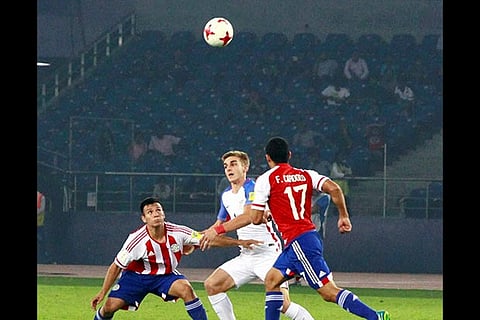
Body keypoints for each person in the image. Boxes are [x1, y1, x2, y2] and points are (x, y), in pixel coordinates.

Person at [248, 137, 390, 320]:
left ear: (268, 158)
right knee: (272, 281)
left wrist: (266, 212)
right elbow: (335, 189)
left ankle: (375, 317)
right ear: (289, 155)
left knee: (328, 292)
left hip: (299, 241)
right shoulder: (307, 174)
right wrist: (343, 216)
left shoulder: (265, 180)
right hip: (303, 240)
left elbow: (255, 218)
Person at [90, 196, 261, 320]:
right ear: (144, 218)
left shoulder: (179, 232)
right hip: (136, 278)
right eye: (150, 212)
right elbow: (116, 266)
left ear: (164, 214)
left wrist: (239, 242)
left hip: (165, 276)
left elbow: (208, 239)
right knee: (110, 308)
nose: (155, 213)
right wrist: (102, 292)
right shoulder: (136, 240)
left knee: (186, 289)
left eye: (158, 210)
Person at [199, 150, 314, 320]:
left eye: (233, 164)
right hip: (246, 255)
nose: (228, 169)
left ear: (245, 166)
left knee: (282, 304)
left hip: (268, 254)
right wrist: (192, 238)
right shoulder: (226, 196)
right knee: (212, 285)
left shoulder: (253, 187)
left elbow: (248, 217)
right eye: (225, 166)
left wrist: (216, 231)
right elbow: (217, 226)